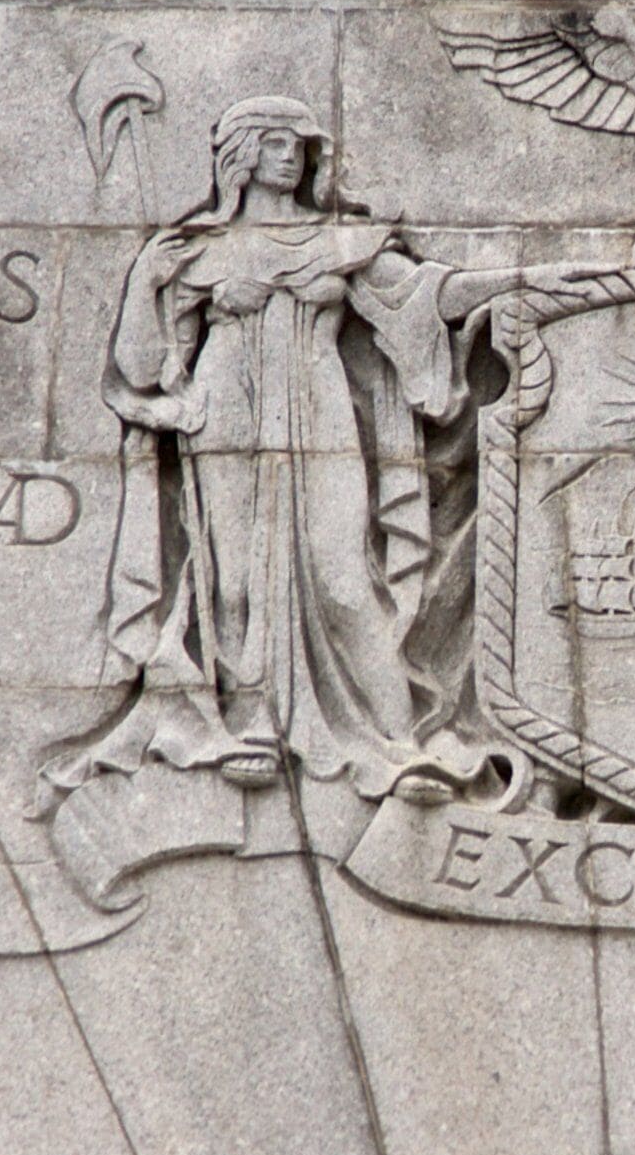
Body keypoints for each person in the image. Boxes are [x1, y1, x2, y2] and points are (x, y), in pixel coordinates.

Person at [54, 96, 529, 799]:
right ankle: (249, 725)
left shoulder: (340, 242)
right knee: (233, 580)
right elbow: (143, 367)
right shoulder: (197, 251)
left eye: (301, 142)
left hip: (320, 405)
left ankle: (398, 742)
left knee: (345, 576)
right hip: (227, 413)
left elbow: (429, 298)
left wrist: (531, 285)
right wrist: (148, 285)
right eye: (276, 140)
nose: (292, 153)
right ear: (243, 152)